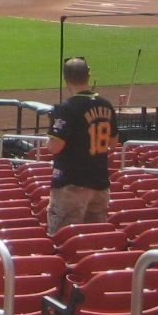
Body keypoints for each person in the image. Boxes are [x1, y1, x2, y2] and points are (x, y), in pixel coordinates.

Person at [46, 57, 118, 236]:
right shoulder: (106, 105)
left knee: (64, 240)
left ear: (66, 79)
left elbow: (55, 147)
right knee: (94, 239)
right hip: (100, 184)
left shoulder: (67, 108)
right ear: (88, 75)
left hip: (72, 185)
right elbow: (113, 142)